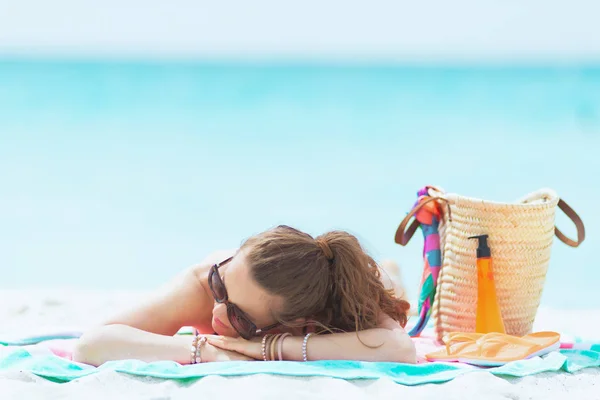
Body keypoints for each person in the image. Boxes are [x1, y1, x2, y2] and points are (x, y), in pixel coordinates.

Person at [73, 225, 416, 366]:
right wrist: (209, 351)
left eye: (239, 317)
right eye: (221, 285)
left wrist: (267, 349)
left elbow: (400, 348)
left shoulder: (335, 303)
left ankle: (390, 270)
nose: (216, 314)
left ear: (298, 322)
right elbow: (92, 343)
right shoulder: (202, 286)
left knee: (392, 290)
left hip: (362, 281)